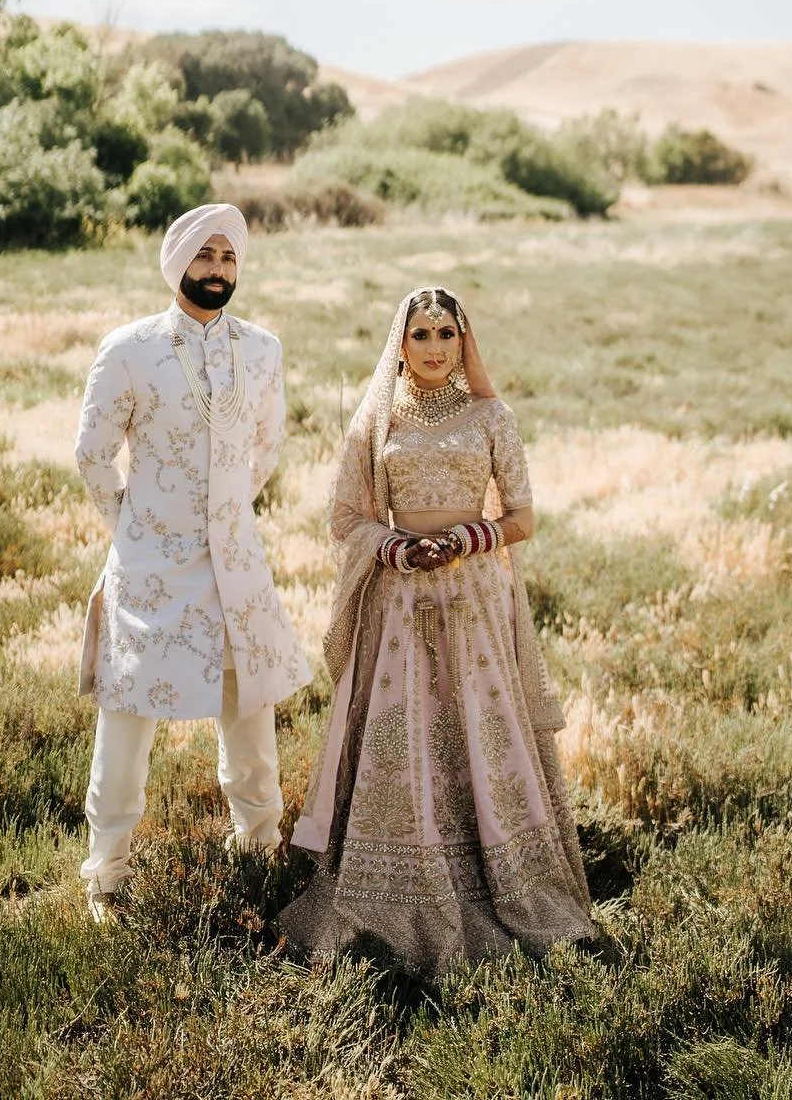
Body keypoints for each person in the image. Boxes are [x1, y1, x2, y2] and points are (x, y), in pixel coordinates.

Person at [278, 286, 592, 971]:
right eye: (419, 335)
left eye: (444, 333)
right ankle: (392, 890)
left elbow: (524, 518)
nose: (432, 347)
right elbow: (345, 520)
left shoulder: (491, 416)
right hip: (400, 605)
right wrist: (393, 548)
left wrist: (467, 538)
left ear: (463, 339)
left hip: (474, 600)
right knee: (405, 731)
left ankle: (503, 883)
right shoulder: (375, 425)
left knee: (478, 728)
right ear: (401, 343)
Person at [73, 202, 311, 918]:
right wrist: (133, 529)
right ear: (177, 264)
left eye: (229, 257)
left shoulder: (262, 349)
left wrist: (228, 516)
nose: (217, 269)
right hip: (149, 565)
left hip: (236, 564)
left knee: (251, 714)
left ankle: (259, 850)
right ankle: (106, 876)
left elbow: (266, 447)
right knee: (126, 722)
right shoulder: (130, 348)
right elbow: (92, 455)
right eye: (205, 256)